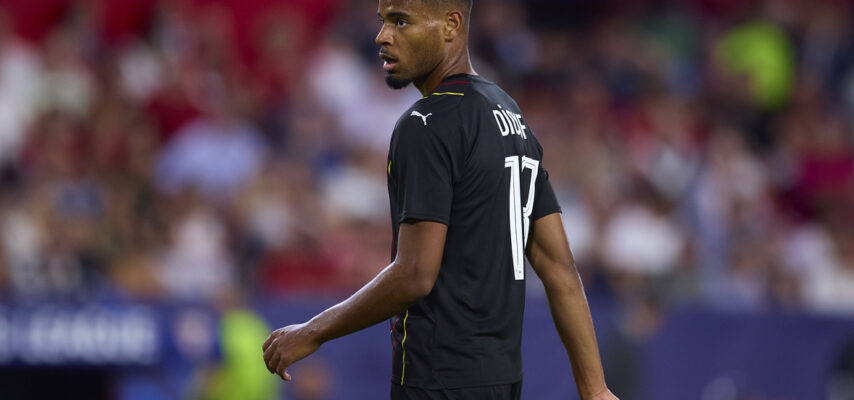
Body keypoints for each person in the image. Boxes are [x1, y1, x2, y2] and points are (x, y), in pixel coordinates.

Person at [262, 1, 618, 399]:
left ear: (451, 24)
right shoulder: (510, 115)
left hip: (438, 379)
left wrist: (312, 331)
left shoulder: (426, 124)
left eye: (401, 21)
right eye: (383, 21)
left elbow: (415, 274)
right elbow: (559, 266)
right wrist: (595, 389)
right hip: (501, 380)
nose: (382, 36)